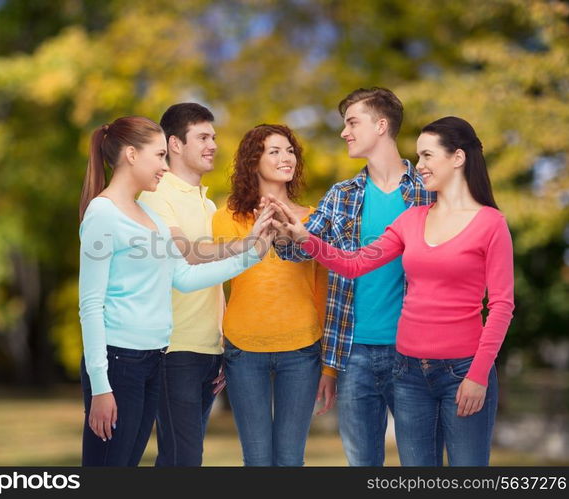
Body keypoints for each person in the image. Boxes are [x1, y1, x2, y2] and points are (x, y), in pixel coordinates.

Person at [270, 116, 514, 466]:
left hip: (463, 371)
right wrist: (307, 240)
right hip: (409, 373)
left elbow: (502, 306)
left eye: (428, 156)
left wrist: (478, 375)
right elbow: (354, 263)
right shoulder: (411, 220)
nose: (420, 166)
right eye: (419, 157)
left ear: (457, 158)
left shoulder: (491, 224)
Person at [78, 115, 275, 466]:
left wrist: (252, 253)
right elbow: (90, 305)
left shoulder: (149, 217)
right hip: (118, 362)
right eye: (159, 156)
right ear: (131, 155)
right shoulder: (102, 213)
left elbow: (182, 276)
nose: (164, 168)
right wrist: (101, 385)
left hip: (153, 358)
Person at [273, 87, 435, 466]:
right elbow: (298, 249)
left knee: (421, 463)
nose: (344, 132)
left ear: (381, 125)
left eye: (352, 122)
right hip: (354, 353)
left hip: (415, 352)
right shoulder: (342, 195)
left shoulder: (429, 192)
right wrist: (282, 229)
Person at [139, 103, 274, 466]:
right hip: (172, 350)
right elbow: (184, 254)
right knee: (183, 459)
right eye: (202, 137)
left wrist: (224, 344)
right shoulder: (155, 194)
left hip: (208, 350)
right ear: (175, 144)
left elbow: (215, 285)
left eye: (213, 136)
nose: (212, 144)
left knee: (180, 460)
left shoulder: (207, 202)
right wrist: (249, 244)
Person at [211, 124, 331, 466]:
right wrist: (218, 341)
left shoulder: (311, 219)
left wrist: (328, 366)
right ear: (254, 160)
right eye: (274, 151)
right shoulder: (227, 219)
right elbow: (214, 281)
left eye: (290, 150)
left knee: (291, 460)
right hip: (244, 351)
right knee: (258, 460)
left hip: (302, 350)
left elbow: (322, 287)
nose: (286, 157)